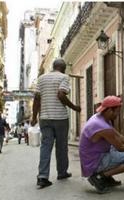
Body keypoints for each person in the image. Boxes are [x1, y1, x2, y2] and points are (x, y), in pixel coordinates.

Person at [79, 95, 124, 193]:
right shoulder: (102, 126)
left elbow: (119, 137)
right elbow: (120, 147)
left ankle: (106, 176)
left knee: (116, 147)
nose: (118, 114)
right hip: (93, 162)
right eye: (117, 111)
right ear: (110, 110)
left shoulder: (100, 118)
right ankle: (99, 177)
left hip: (95, 155)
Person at [31, 58, 81, 188]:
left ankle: (42, 177)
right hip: (60, 118)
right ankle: (62, 172)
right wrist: (74, 107)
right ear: (63, 68)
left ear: (53, 66)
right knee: (61, 146)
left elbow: (36, 98)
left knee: (46, 146)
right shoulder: (63, 77)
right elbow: (61, 94)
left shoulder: (41, 78)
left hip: (45, 118)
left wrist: (34, 117)